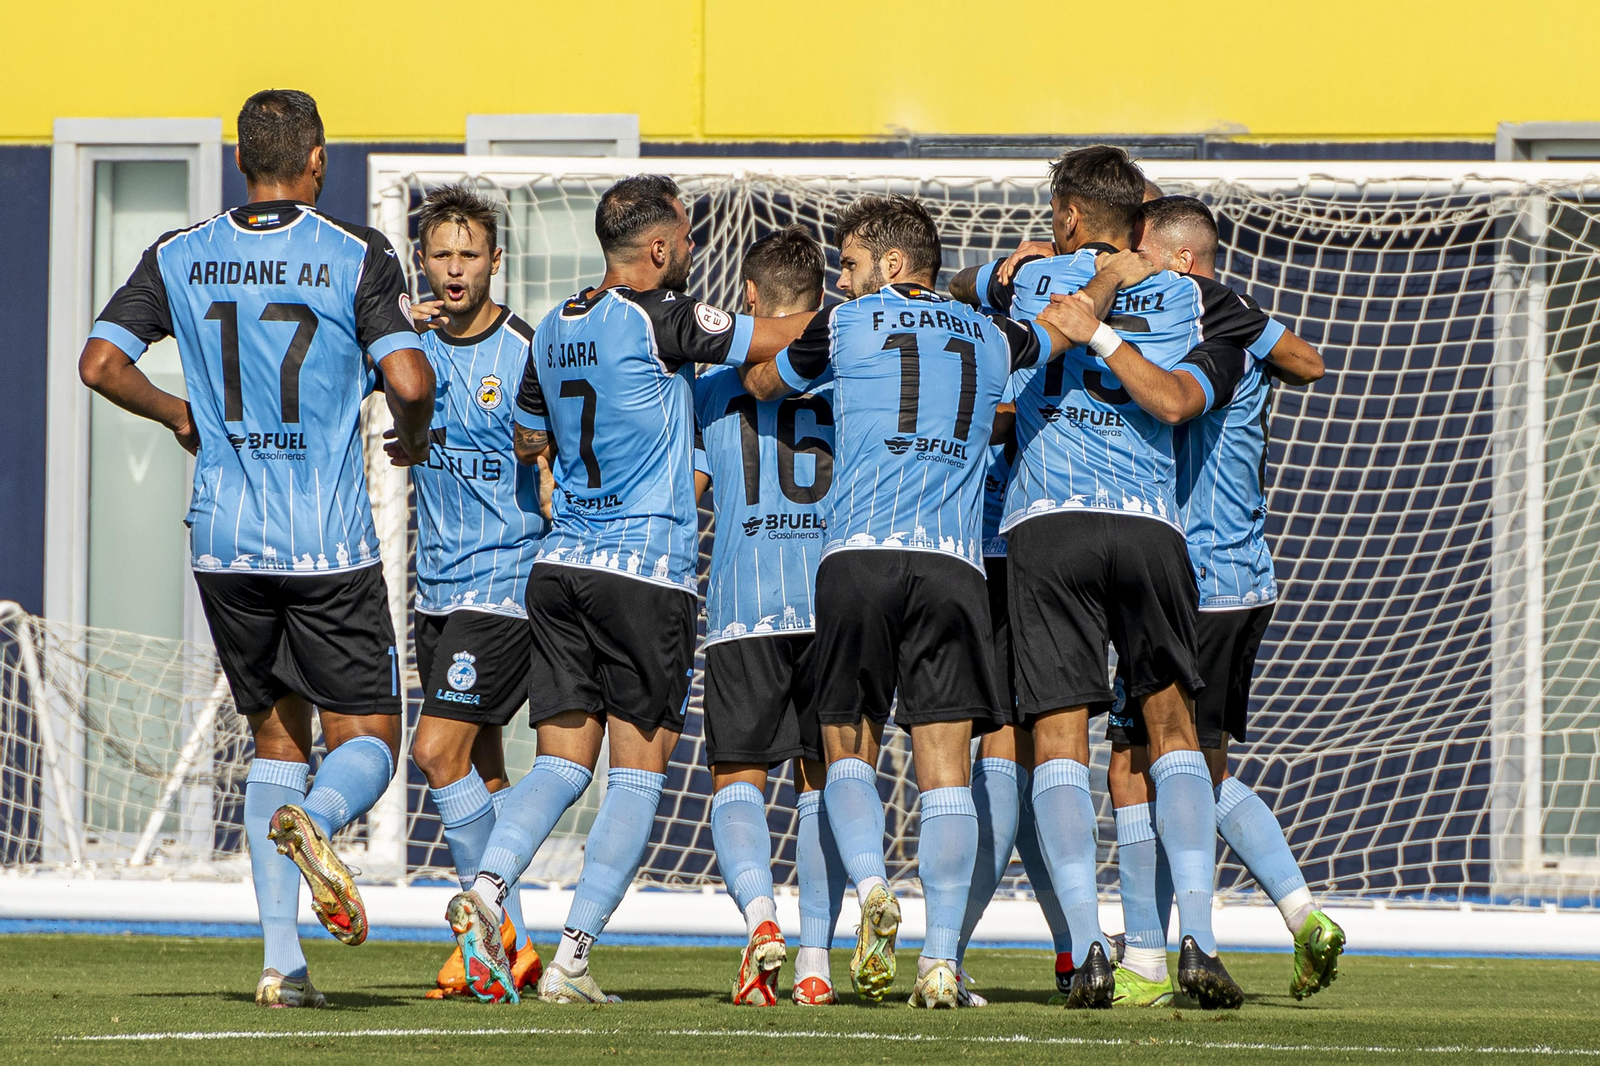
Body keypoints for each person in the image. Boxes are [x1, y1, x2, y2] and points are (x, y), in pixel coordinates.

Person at [78, 89, 433, 1008]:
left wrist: (173, 412)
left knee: (276, 731)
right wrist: (417, 435)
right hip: (325, 542)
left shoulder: (180, 252)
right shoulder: (354, 252)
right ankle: (312, 822)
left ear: (242, 162)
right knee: (372, 742)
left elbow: (99, 363)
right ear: (315, 159)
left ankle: (283, 964)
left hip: (224, 541)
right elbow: (409, 376)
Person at [444, 175, 814, 1005]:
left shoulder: (553, 327)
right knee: (639, 776)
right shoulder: (663, 316)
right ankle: (572, 957)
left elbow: (532, 432)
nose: (690, 252)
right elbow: (781, 333)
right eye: (685, 239)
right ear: (658, 248)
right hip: (644, 574)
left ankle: (488, 889)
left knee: (561, 765)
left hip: (560, 564)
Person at [950, 145, 1291, 1009]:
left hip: (1046, 527)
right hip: (1152, 527)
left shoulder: (1032, 285)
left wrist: (1020, 269)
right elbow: (1241, 374)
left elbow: (944, 288)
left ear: (1065, 215)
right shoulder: (1184, 294)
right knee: (1173, 730)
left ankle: (1090, 947)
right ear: (1136, 222)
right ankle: (1198, 943)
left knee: (1060, 740)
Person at [741, 194, 1098, 1008]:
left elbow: (766, 382)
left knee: (844, 748)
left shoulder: (844, 324)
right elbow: (1070, 324)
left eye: (851, 262)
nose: (843, 276)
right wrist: (1101, 269)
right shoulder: (996, 334)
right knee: (946, 768)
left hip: (859, 557)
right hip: (953, 567)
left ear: (891, 268)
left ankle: (871, 886)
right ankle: (941, 962)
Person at [1099, 194, 1342, 1007]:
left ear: (1177, 263)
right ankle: (1303, 914)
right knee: (1199, 765)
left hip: (1182, 580)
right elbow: (1307, 362)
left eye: (1139, 250)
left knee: (1137, 765)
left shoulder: (1197, 326)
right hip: (1246, 580)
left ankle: (1145, 958)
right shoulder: (1238, 326)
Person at [387, 184, 550, 999]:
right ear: (423, 260)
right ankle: (511, 943)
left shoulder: (523, 351)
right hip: (437, 588)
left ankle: (484, 938)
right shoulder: (404, 346)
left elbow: (554, 459)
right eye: (441, 254)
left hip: (505, 583)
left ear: (495, 262)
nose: (454, 270)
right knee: (480, 770)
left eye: (470, 255)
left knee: (433, 750)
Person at [693, 224, 848, 1006]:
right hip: (833, 601)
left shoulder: (711, 386)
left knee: (739, 780)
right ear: (821, 302)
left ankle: (761, 920)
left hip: (742, 605)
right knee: (827, 780)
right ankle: (818, 965)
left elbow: (686, 497)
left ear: (749, 299)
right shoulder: (852, 376)